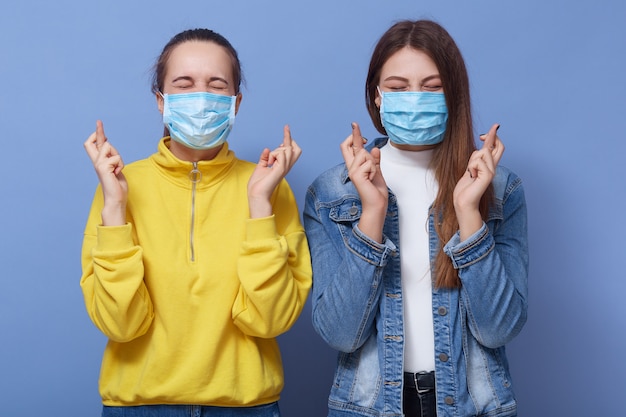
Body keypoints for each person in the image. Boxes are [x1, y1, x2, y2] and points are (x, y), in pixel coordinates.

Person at [80, 28, 312, 417]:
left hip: (247, 408)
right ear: (161, 100)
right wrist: (116, 209)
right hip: (138, 408)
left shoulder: (270, 187)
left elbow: (269, 320)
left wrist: (259, 203)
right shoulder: (118, 186)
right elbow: (120, 325)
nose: (200, 96)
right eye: (184, 84)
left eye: (216, 85)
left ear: (235, 102)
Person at [303, 20, 528, 417]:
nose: (414, 97)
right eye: (397, 86)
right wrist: (372, 213)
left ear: (453, 94)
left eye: (431, 85)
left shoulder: (500, 188)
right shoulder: (332, 192)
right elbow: (341, 335)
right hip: (369, 407)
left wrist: (469, 214)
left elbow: (499, 329)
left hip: (472, 406)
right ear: (376, 95)